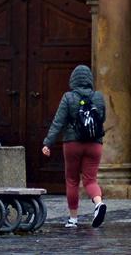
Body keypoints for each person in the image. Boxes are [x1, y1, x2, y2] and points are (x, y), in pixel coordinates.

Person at [38, 63, 107, 229]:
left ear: (73, 80)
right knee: (90, 180)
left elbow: (58, 122)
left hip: (72, 144)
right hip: (94, 144)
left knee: (72, 180)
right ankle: (98, 204)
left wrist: (48, 142)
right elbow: (102, 119)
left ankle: (73, 219)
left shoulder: (68, 97)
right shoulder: (98, 97)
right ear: (90, 79)